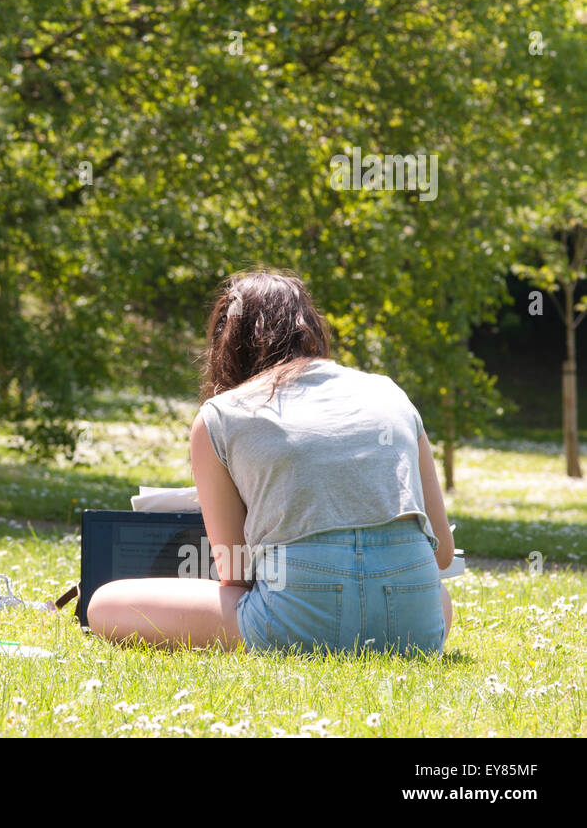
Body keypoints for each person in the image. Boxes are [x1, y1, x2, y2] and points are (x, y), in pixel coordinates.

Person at [88, 270, 455, 655]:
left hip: (296, 620)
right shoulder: (389, 392)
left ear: (226, 342)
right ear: (312, 328)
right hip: (413, 627)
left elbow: (236, 572)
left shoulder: (221, 414)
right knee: (439, 598)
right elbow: (442, 553)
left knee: (105, 603)